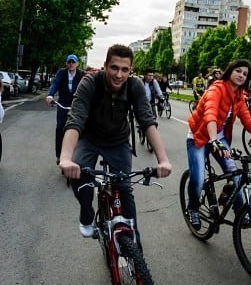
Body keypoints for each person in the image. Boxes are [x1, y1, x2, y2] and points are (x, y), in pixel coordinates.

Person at [59, 44, 172, 238]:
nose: (119, 75)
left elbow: (147, 121)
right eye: (114, 68)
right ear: (105, 66)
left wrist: (163, 160)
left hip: (118, 141)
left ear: (130, 70)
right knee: (80, 179)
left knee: (124, 188)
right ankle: (86, 212)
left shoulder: (135, 85)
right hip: (90, 138)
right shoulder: (90, 83)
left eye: (125, 69)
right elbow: (75, 120)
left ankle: (133, 241)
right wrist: (66, 158)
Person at [184, 59, 251, 229]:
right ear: (230, 71)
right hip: (199, 137)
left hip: (219, 139)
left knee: (235, 174)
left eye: (245, 74)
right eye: (238, 71)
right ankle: (192, 208)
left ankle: (239, 212)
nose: (241, 75)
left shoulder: (238, 96)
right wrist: (214, 139)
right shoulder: (217, 89)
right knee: (198, 179)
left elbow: (247, 119)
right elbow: (210, 114)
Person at [46, 54, 83, 162]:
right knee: (60, 128)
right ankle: (59, 155)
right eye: (69, 62)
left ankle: (78, 154)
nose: (71, 64)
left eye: (73, 62)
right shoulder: (61, 73)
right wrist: (50, 95)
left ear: (77, 64)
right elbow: (55, 84)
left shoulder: (81, 74)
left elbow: (87, 87)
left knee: (79, 128)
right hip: (63, 104)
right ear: (66, 63)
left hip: (76, 105)